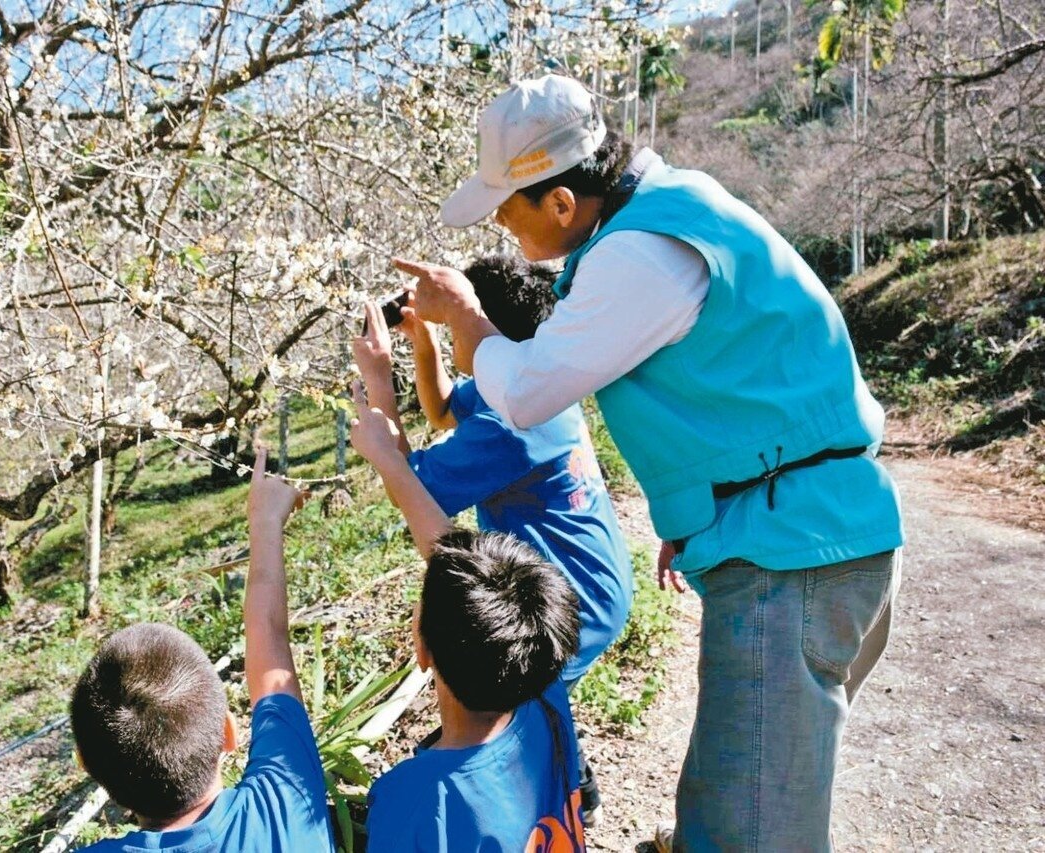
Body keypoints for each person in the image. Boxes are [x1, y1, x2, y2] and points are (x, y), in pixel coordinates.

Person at [397, 73, 905, 852]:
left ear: (561, 203)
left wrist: (466, 318)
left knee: (750, 830)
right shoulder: (672, 211)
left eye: (507, 212)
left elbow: (527, 390)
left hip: (792, 552)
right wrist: (695, 505)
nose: (505, 231)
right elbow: (730, 380)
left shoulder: (638, 253)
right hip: (801, 528)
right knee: (741, 788)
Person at [353, 255, 635, 825]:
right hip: (584, 573)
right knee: (537, 697)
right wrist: (424, 341)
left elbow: (409, 489)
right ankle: (572, 785)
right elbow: (438, 411)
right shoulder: (518, 377)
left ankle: (558, 803)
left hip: (576, 596)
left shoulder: (514, 424)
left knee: (527, 691)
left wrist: (380, 384)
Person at [349, 386, 587, 852]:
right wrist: (389, 460)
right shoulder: (545, 693)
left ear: (421, 649)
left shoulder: (415, 801)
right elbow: (445, 550)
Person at [69, 450, 335, 852]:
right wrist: (265, 522)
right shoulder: (285, 802)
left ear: (86, 765)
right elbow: (270, 637)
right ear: (229, 731)